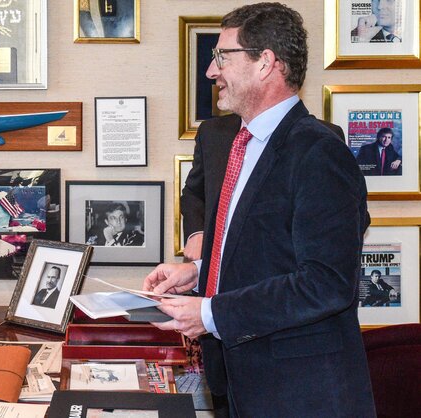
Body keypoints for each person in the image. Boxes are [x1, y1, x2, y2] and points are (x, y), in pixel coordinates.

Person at [143, 3, 375, 416]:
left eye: (222, 57)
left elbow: (325, 282)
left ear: (265, 62)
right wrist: (199, 272)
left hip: (300, 394)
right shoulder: (236, 145)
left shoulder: (320, 152)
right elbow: (263, 247)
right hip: (237, 380)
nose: (212, 71)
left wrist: (212, 313)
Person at [181, 117, 346, 261]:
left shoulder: (322, 136)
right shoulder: (212, 132)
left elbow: (347, 216)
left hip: (284, 286)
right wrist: (197, 232)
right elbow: (194, 192)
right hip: (212, 283)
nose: (213, 78)